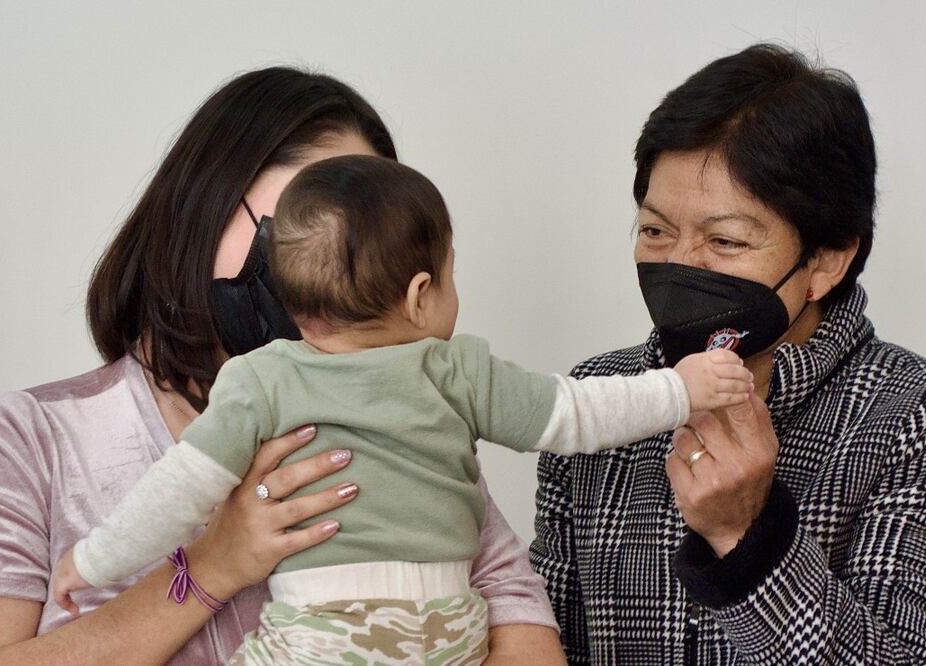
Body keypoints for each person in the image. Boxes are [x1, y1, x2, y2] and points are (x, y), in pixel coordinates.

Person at [0, 68, 564, 665]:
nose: (345, 260)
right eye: (306, 213)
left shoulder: (408, 408)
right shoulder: (32, 439)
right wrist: (212, 566)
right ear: (205, 205)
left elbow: (524, 636)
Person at [52, 154, 754, 664]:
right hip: (448, 628)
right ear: (422, 295)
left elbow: (180, 488)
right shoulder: (455, 371)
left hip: (319, 635)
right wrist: (683, 388)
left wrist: (93, 561)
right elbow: (576, 415)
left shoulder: (260, 380)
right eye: (452, 274)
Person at [531, 44, 926, 664]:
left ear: (826, 260)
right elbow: (540, 638)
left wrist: (746, 537)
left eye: (725, 240)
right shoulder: (596, 399)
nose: (680, 264)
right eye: (655, 230)